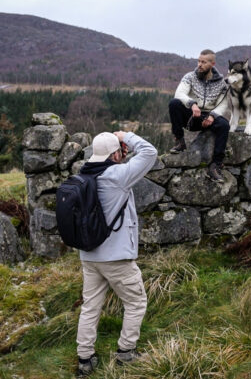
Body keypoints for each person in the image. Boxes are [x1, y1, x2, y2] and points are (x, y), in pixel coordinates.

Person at [75, 131, 157, 377]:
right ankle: (125, 352)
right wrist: (127, 135)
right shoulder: (119, 176)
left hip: (89, 256)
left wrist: (118, 150)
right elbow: (150, 153)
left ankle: (85, 359)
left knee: (90, 307)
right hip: (117, 258)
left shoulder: (83, 175)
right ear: (115, 154)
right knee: (135, 302)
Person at [168, 49, 230, 183]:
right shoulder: (190, 76)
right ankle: (179, 141)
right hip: (190, 115)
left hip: (207, 117)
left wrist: (213, 116)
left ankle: (216, 165)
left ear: (212, 64)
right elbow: (179, 93)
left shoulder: (221, 83)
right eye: (199, 61)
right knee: (174, 104)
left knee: (224, 125)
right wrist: (192, 104)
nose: (199, 64)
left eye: (203, 62)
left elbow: (223, 104)